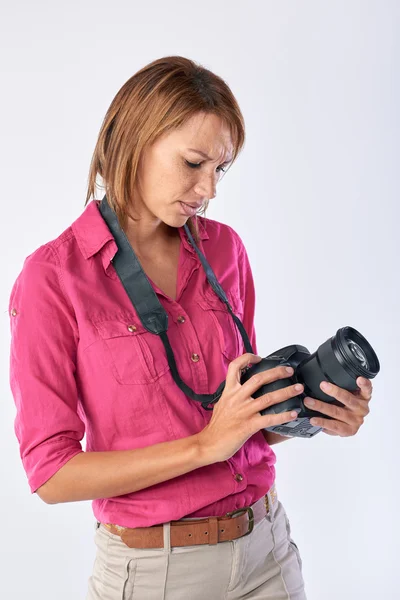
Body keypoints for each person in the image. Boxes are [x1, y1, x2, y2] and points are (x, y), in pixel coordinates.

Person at [8, 56, 373, 600]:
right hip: (157, 574)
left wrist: (315, 415)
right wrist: (204, 446)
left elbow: (239, 420)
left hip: (267, 553)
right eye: (193, 163)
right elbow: (52, 475)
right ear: (133, 141)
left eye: (220, 170)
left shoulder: (225, 249)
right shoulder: (52, 278)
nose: (209, 189)